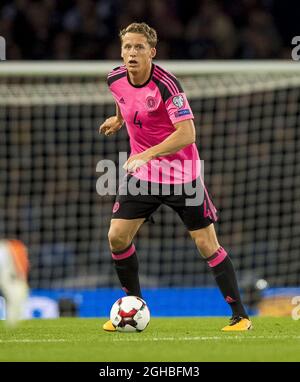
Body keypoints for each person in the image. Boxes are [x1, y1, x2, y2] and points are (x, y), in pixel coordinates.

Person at [99, 22, 252, 331]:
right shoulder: (114, 78)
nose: (131, 53)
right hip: (142, 174)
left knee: (206, 243)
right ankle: (133, 307)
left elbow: (187, 134)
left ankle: (241, 317)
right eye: (127, 46)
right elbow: (125, 99)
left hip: (182, 175)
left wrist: (147, 153)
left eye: (139, 47)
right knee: (117, 237)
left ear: (151, 52)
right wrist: (118, 119)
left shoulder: (168, 85)